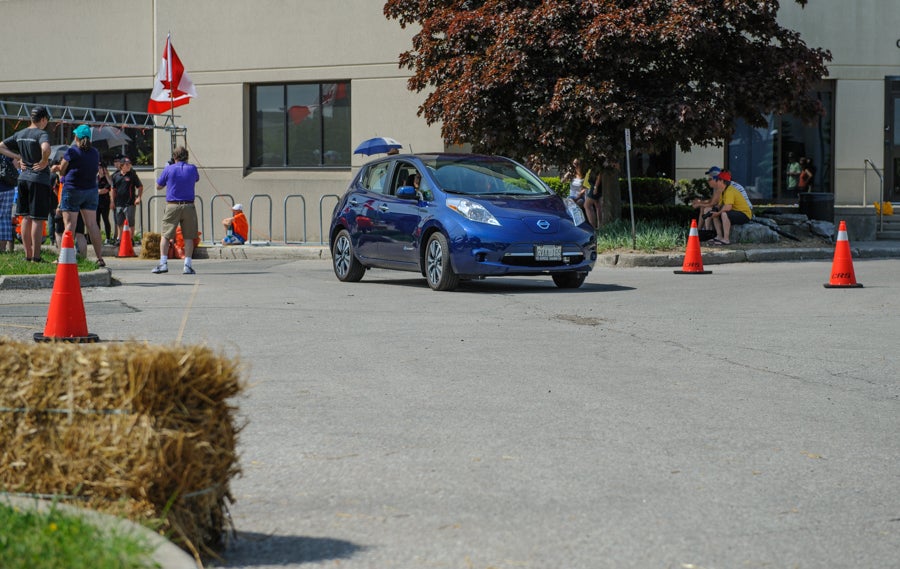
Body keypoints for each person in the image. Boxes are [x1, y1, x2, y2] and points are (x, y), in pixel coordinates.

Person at [0, 106, 53, 262]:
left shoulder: (20, 134)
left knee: (25, 218)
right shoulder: (41, 133)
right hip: (38, 179)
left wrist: (17, 156)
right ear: (43, 119)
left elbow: (1, 146)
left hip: (23, 179)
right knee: (37, 218)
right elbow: (46, 147)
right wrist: (44, 161)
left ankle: (27, 255)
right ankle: (36, 257)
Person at [51, 124, 106, 266]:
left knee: (69, 226)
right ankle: (100, 258)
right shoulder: (95, 152)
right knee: (92, 225)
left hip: (73, 190)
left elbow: (62, 171)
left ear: (76, 137)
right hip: (91, 191)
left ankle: (63, 258)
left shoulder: (72, 151)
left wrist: (57, 168)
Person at [153, 145, 200, 275]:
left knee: (166, 235)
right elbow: (196, 178)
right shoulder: (192, 168)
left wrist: (167, 168)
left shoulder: (169, 169)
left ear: (174, 157)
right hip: (189, 205)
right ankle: (187, 265)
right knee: (189, 237)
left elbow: (158, 186)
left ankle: (163, 263)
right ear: (187, 157)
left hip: (172, 205)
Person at [704, 170, 753, 245]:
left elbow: (728, 207)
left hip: (745, 214)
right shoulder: (723, 191)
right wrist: (714, 210)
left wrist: (718, 213)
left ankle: (726, 239)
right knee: (714, 214)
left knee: (723, 214)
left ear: (722, 181)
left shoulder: (730, 191)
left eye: (717, 181)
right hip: (734, 212)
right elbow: (719, 205)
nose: (716, 183)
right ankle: (719, 236)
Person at [111, 156, 143, 245]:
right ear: (121, 166)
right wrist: (112, 201)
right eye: (127, 164)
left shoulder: (132, 175)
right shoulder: (116, 176)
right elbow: (113, 189)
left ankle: (131, 239)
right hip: (118, 203)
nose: (129, 166)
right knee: (119, 222)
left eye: (129, 164)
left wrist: (139, 197)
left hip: (129, 203)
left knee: (130, 222)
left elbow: (140, 186)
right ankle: (120, 239)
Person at [0, 154, 20, 253]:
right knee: (4, 218)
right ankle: (2, 248)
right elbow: (16, 166)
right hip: (7, 188)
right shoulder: (6, 153)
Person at [97, 162, 114, 244]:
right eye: (99, 168)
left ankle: (108, 238)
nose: (101, 170)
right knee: (96, 221)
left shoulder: (107, 179)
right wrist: (97, 191)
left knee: (105, 220)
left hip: (105, 202)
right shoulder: (95, 178)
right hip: (96, 203)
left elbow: (106, 190)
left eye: (102, 168)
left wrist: (98, 191)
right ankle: (97, 237)